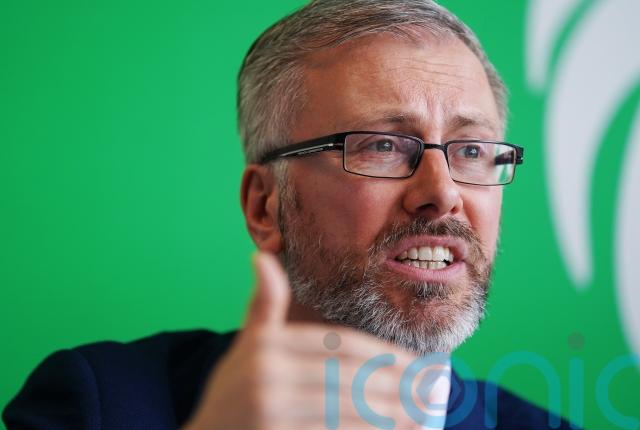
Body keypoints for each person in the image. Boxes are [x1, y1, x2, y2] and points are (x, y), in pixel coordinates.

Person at [3, 1, 577, 429]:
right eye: (381, 145)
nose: (443, 193)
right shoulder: (98, 404)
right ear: (264, 205)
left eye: (471, 151)